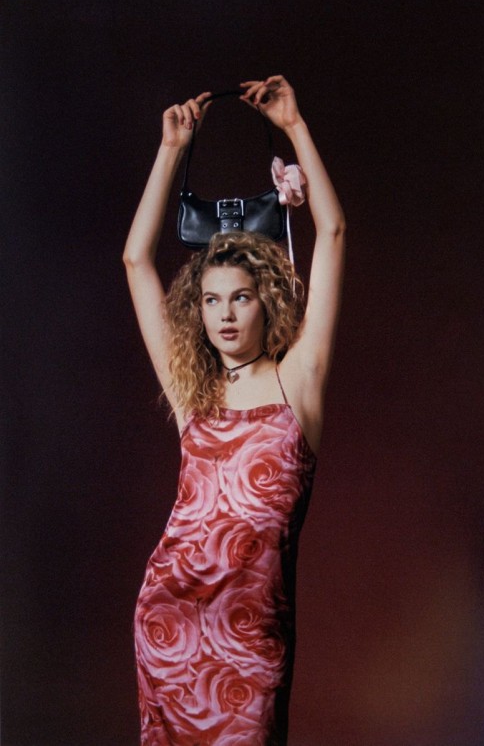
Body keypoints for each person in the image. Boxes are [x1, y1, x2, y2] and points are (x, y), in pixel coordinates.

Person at [123, 75, 345, 746]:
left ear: (265, 302)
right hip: (171, 619)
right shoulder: (192, 393)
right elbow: (135, 259)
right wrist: (171, 150)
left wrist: (294, 126)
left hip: (252, 637)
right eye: (211, 300)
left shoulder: (298, 381)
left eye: (240, 298)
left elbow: (333, 232)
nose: (224, 314)